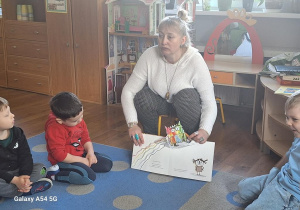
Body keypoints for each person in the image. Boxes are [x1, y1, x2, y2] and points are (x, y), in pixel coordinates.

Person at [121, 8, 217, 146]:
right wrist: (132, 124)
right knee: (142, 96)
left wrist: (205, 130)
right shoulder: (149, 55)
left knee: (187, 95)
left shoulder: (195, 60)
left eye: (170, 37)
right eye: (160, 35)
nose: (163, 41)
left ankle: (183, 141)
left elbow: (209, 103)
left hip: (186, 106)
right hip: (161, 103)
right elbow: (128, 91)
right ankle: (150, 139)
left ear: (183, 40)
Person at [238, 90, 300, 209]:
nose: (288, 123)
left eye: (294, 119)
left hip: (289, 193)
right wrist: (274, 171)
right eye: (287, 117)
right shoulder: (298, 134)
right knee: (242, 188)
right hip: (281, 177)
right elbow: (289, 155)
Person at [45, 92, 113, 185]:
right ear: (60, 120)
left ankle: (82, 166)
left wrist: (90, 153)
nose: (80, 120)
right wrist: (82, 161)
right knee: (88, 177)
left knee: (107, 164)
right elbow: (59, 155)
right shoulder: (54, 128)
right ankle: (53, 175)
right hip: (63, 160)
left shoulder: (78, 119)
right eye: (75, 120)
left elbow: (85, 138)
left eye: (81, 115)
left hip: (79, 153)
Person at [0, 97, 52, 198]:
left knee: (42, 168)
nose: (12, 115)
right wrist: (14, 180)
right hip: (2, 176)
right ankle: (27, 189)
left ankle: (17, 190)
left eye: (10, 112)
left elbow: (25, 155)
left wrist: (25, 175)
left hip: (18, 171)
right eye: (7, 115)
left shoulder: (17, 132)